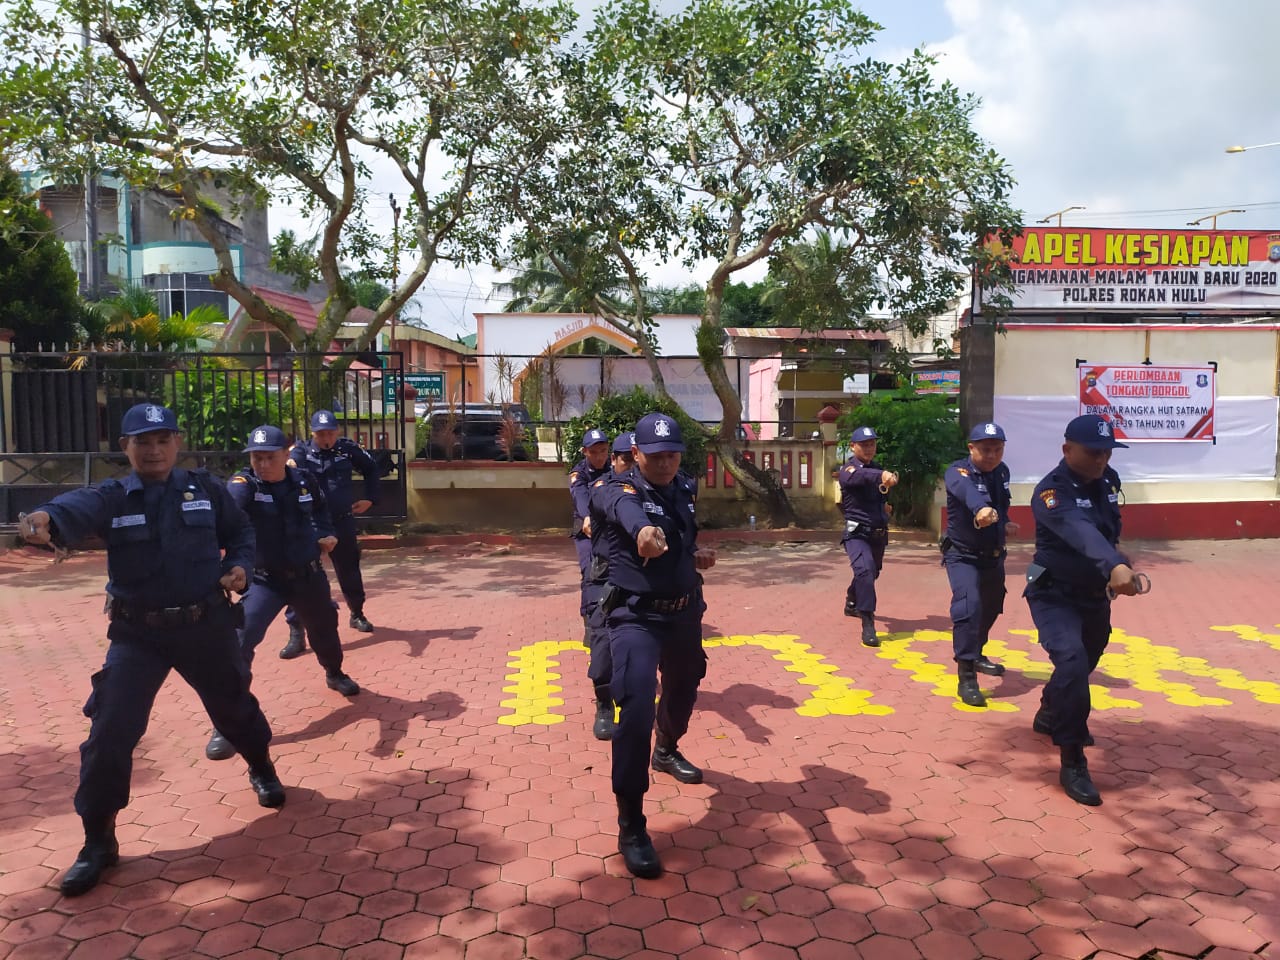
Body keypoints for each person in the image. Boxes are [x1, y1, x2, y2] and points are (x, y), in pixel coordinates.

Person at [18, 403, 284, 897]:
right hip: (137, 635)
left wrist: (241, 566)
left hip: (205, 626)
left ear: (177, 442)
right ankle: (98, 841)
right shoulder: (114, 496)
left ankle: (261, 766)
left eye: (163, 439)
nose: (154, 449)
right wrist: (44, 517)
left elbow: (241, 533)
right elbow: (73, 507)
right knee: (110, 730)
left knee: (234, 707)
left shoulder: (206, 489)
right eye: (143, 441)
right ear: (126, 447)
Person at [589, 413, 716, 878]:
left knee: (685, 687)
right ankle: (632, 824)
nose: (665, 463)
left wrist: (695, 556)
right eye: (656, 456)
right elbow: (629, 514)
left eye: (672, 455)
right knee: (636, 705)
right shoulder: (615, 489)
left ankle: (666, 748)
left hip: (683, 613)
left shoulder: (684, 488)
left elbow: (682, 539)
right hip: (635, 617)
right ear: (636, 453)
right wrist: (643, 533)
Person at [205, 425, 361, 761]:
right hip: (266, 581)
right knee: (240, 640)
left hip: (308, 577)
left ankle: (334, 673)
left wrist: (326, 533)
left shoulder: (304, 481)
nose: (262, 464)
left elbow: (321, 512)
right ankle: (227, 721)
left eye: (269, 457)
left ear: (285, 454)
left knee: (325, 631)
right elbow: (227, 520)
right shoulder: (244, 486)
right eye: (256, 458)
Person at [1025, 413, 1138, 806]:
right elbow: (1080, 531)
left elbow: (1107, 532)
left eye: (1107, 452)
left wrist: (1119, 559)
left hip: (1093, 594)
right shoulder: (1051, 492)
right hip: (1053, 593)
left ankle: (1050, 709)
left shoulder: (1108, 482)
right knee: (1072, 661)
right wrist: (1114, 564)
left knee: (1088, 658)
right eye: (1093, 452)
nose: (1101, 459)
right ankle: (1072, 758)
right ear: (1067, 449)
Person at [280, 409, 381, 658]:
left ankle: (357, 613)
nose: (326, 438)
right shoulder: (301, 452)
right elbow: (289, 472)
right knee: (300, 575)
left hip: (341, 521)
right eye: (321, 434)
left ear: (338, 431)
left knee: (349, 569)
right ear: (312, 433)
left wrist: (370, 498)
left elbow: (371, 468)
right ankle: (296, 632)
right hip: (310, 524)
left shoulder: (347, 449)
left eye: (330, 433)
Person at [942, 422, 1014, 707]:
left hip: (993, 555)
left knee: (992, 605)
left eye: (998, 449)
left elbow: (1001, 505)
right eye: (985, 450)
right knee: (968, 607)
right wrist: (981, 509)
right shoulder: (957, 472)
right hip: (962, 555)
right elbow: (967, 492)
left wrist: (1004, 522)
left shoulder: (1002, 471)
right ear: (971, 448)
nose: (992, 455)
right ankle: (967, 675)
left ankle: (977, 651)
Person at [581, 432, 636, 741]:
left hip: (639, 580)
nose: (630, 466)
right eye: (625, 459)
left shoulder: (650, 489)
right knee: (602, 646)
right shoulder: (603, 488)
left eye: (635, 459)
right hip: (606, 578)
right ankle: (604, 704)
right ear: (614, 460)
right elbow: (619, 506)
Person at [837, 426, 898, 647]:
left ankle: (852, 600)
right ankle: (868, 622)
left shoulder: (877, 468)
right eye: (864, 445)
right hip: (857, 533)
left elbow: (879, 495)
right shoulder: (848, 470)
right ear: (853, 447)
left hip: (878, 533)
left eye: (872, 444)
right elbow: (860, 477)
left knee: (872, 572)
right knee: (864, 571)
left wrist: (885, 509)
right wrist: (881, 476)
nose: (869, 448)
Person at [569, 427, 612, 573]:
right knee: (590, 572)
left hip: (609, 525)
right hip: (586, 527)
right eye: (593, 452)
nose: (599, 457)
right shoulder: (579, 473)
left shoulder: (615, 468)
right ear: (585, 451)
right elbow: (579, 495)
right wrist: (587, 516)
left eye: (603, 451)